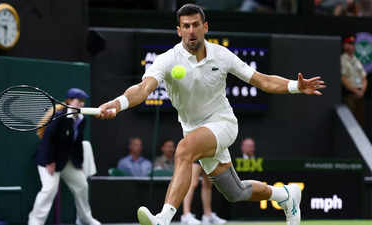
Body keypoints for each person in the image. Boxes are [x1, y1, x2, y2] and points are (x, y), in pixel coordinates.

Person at [97, 4, 326, 225]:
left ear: (205, 27)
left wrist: (296, 87)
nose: (191, 31)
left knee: (184, 149)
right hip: (194, 129)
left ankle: (163, 219)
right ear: (179, 31)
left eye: (195, 25)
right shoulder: (166, 60)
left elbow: (261, 80)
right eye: (185, 26)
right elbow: (143, 89)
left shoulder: (222, 55)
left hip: (222, 123)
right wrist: (119, 103)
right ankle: (286, 195)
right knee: (235, 192)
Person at [29, 88, 101, 225]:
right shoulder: (59, 117)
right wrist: (50, 162)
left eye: (82, 101)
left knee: (82, 185)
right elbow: (48, 140)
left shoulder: (81, 119)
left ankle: (85, 219)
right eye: (77, 100)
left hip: (67, 160)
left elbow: (77, 143)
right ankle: (35, 222)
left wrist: (78, 164)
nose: (80, 103)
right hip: (49, 159)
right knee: (49, 189)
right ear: (69, 101)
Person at [341, 35, 367, 127]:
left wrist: (362, 90)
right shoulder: (343, 60)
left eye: (353, 44)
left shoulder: (357, 60)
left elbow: (364, 78)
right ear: (344, 46)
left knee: (360, 121)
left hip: (359, 95)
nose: (351, 46)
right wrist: (355, 91)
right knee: (349, 122)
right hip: (349, 96)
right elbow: (343, 79)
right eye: (349, 44)